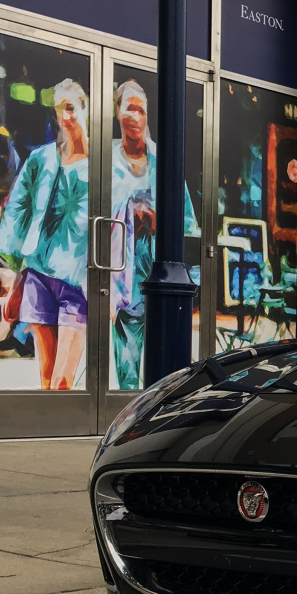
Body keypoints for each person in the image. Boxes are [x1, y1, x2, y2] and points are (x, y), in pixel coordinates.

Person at [0, 79, 91, 390]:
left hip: (79, 278)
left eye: (71, 108)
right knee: (45, 380)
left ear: (85, 110)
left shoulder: (101, 165)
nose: (65, 117)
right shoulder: (41, 159)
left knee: (62, 380)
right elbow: (17, 211)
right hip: (38, 274)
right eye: (59, 110)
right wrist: (15, 275)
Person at [109, 79, 200, 390]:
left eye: (141, 110)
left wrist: (155, 218)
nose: (136, 116)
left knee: (167, 363)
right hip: (123, 274)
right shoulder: (106, 160)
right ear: (116, 112)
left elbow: (188, 222)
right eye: (129, 108)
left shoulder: (164, 160)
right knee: (128, 361)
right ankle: (130, 416)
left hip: (162, 271)